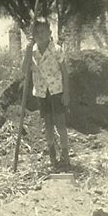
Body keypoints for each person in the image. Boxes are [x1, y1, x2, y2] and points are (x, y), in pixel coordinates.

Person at [23, 19, 70, 171]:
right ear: (33, 35)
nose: (40, 35)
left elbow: (64, 72)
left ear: (50, 33)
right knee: (48, 124)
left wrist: (66, 92)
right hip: (42, 93)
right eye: (37, 32)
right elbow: (24, 70)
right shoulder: (32, 51)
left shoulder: (56, 49)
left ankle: (65, 155)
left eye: (43, 32)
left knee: (60, 123)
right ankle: (52, 156)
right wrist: (27, 53)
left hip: (56, 91)